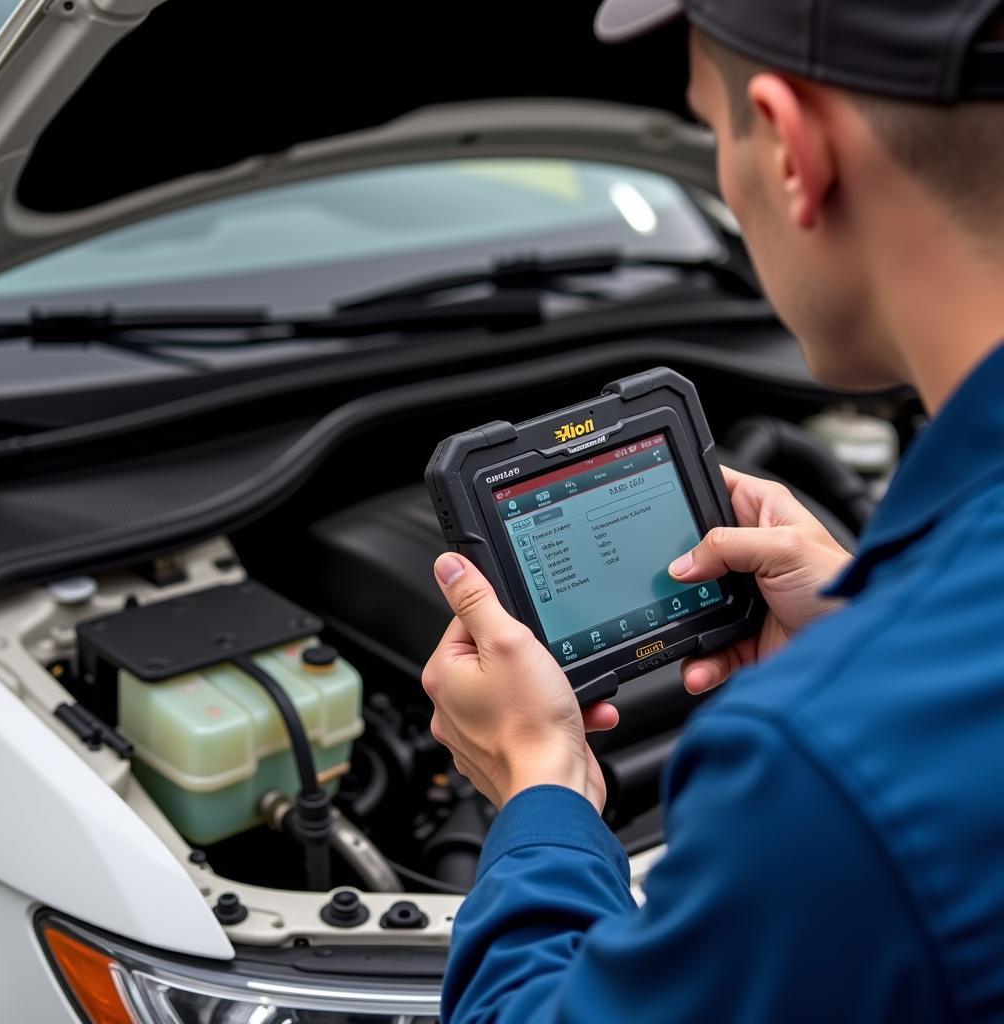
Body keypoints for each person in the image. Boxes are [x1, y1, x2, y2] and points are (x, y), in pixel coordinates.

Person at [422, 0, 1004, 1020]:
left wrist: (540, 787)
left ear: (788, 146)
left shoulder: (827, 770)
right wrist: (868, 631)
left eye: (707, 128)